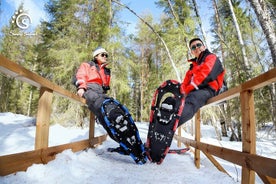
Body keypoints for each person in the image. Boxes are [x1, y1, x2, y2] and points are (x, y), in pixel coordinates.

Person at [178, 37, 225, 126]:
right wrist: (179, 93)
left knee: (192, 99)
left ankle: (169, 126)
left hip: (210, 89)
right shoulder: (192, 67)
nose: (196, 48)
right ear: (191, 52)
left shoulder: (211, 57)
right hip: (196, 90)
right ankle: (158, 123)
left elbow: (206, 75)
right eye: (193, 47)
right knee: (174, 99)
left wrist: (188, 90)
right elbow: (185, 83)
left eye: (198, 45)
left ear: (203, 47)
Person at [75, 47, 117, 141]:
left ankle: (122, 140)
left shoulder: (105, 70)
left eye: (106, 55)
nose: (105, 56)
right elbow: (81, 75)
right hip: (90, 88)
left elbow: (105, 85)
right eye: (102, 54)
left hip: (100, 92)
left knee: (111, 112)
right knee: (103, 107)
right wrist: (81, 87)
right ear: (96, 56)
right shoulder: (88, 65)